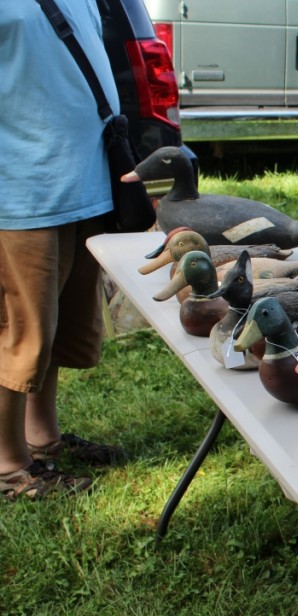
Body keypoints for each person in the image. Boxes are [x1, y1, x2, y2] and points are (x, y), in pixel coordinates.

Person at [1, 0, 124, 501]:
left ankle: (42, 438)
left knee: (55, 325)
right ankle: (8, 466)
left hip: (80, 186)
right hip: (20, 192)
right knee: (18, 329)